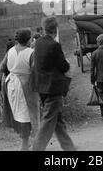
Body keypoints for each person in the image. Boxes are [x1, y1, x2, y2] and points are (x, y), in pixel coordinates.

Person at [30, 17, 76, 151]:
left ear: (44, 29)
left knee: (57, 119)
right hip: (52, 88)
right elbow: (63, 66)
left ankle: (69, 147)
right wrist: (69, 67)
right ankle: (37, 148)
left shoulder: (38, 43)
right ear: (56, 29)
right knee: (49, 120)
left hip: (41, 87)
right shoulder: (55, 45)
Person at [0, 29, 40, 151]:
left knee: (19, 114)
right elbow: (35, 71)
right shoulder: (31, 53)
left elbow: (1, 67)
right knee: (28, 114)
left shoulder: (10, 50)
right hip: (25, 86)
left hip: (11, 84)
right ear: (28, 40)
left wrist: (14, 68)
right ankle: (26, 145)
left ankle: (26, 143)